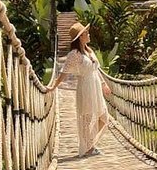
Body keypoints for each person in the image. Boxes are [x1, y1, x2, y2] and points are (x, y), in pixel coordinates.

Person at [47, 22, 111, 157]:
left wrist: (104, 83)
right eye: (86, 33)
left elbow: (96, 69)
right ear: (80, 37)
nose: (88, 34)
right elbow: (64, 72)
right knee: (87, 119)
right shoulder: (74, 54)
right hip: (86, 87)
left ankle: (89, 144)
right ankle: (89, 147)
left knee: (104, 117)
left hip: (95, 87)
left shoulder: (89, 50)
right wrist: (54, 86)